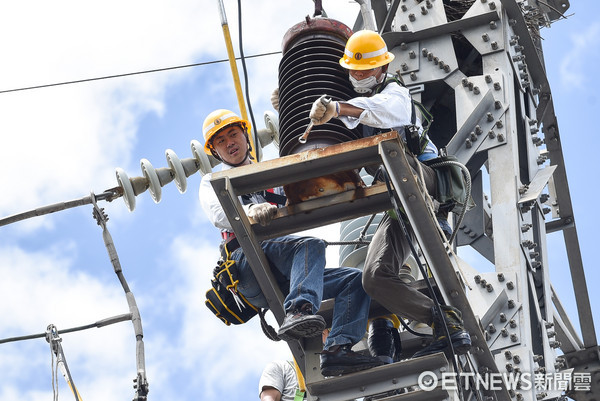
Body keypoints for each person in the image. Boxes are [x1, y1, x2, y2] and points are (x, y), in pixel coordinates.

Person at [308, 30, 471, 358]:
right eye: (354, 71)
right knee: (374, 278)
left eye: (366, 71)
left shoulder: (396, 93)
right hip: (400, 200)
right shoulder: (367, 104)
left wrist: (338, 107)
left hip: (425, 182)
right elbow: (361, 112)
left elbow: (380, 110)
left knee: (391, 163)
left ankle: (434, 220)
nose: (359, 77)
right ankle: (443, 321)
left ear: (382, 68)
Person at [199, 109, 383, 375]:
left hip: (287, 269)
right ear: (215, 152)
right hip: (248, 263)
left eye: (233, 134)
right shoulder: (212, 180)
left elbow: (307, 194)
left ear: (245, 135)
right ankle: (299, 310)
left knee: (356, 280)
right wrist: (249, 212)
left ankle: (338, 350)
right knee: (309, 246)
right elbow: (219, 214)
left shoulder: (271, 175)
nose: (229, 143)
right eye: (220, 141)